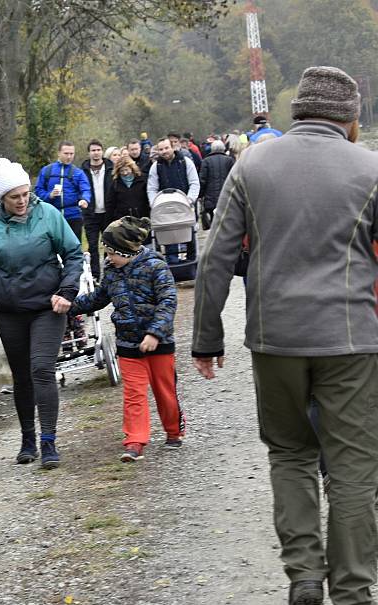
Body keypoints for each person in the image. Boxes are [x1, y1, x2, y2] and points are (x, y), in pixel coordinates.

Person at [192, 66, 378, 605]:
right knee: (353, 468)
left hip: (276, 339)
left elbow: (215, 258)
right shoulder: (370, 168)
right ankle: (353, 589)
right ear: (351, 117)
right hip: (352, 340)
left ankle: (302, 576)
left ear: (298, 111)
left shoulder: (253, 163)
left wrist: (207, 339)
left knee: (291, 454)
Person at [0, 158, 83, 469]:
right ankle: (28, 439)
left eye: (25, 194)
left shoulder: (48, 215)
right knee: (20, 376)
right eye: (13, 197)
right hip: (9, 311)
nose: (21, 202)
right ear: (1, 197)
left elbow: (73, 253)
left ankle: (49, 441)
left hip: (48, 305)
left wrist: (67, 291)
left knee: (42, 369)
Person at [72, 216, 184, 462]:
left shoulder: (156, 266)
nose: (109, 258)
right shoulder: (112, 272)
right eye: (107, 253)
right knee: (133, 394)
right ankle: (135, 441)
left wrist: (155, 333)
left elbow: (168, 301)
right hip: (127, 344)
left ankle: (174, 431)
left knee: (165, 391)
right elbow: (98, 299)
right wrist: (69, 306)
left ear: (127, 250)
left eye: (112, 253)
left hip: (159, 343)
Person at [147, 137, 200, 263]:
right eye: (161, 149)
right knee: (168, 236)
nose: (164, 151)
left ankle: (191, 263)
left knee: (189, 235)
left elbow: (194, 183)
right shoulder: (156, 167)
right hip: (165, 208)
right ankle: (173, 263)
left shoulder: (185, 162)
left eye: (166, 148)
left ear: (172, 147)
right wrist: (155, 204)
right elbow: (152, 188)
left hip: (185, 206)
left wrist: (189, 200)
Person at [34, 141, 92, 241]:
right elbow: (38, 191)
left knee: (74, 247)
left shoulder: (78, 173)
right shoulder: (46, 170)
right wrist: (49, 195)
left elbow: (86, 189)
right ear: (59, 153)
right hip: (51, 216)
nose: (69, 157)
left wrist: (85, 200)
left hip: (74, 216)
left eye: (71, 154)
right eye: (66, 153)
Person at [81, 139, 115, 280]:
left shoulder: (111, 168)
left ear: (102, 151)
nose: (96, 153)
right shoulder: (82, 171)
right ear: (89, 153)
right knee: (93, 246)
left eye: (98, 150)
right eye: (93, 150)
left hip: (108, 213)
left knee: (109, 245)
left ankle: (109, 273)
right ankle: (94, 275)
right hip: (90, 214)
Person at [198, 139, 234, 229]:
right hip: (226, 196)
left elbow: (202, 180)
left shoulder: (206, 161)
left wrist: (200, 195)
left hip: (210, 198)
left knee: (214, 221)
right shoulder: (229, 160)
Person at [107, 157, 149, 224]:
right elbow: (111, 203)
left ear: (132, 168)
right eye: (122, 171)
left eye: (126, 170)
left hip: (142, 217)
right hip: (123, 221)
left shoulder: (142, 180)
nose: (125, 173)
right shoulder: (115, 184)